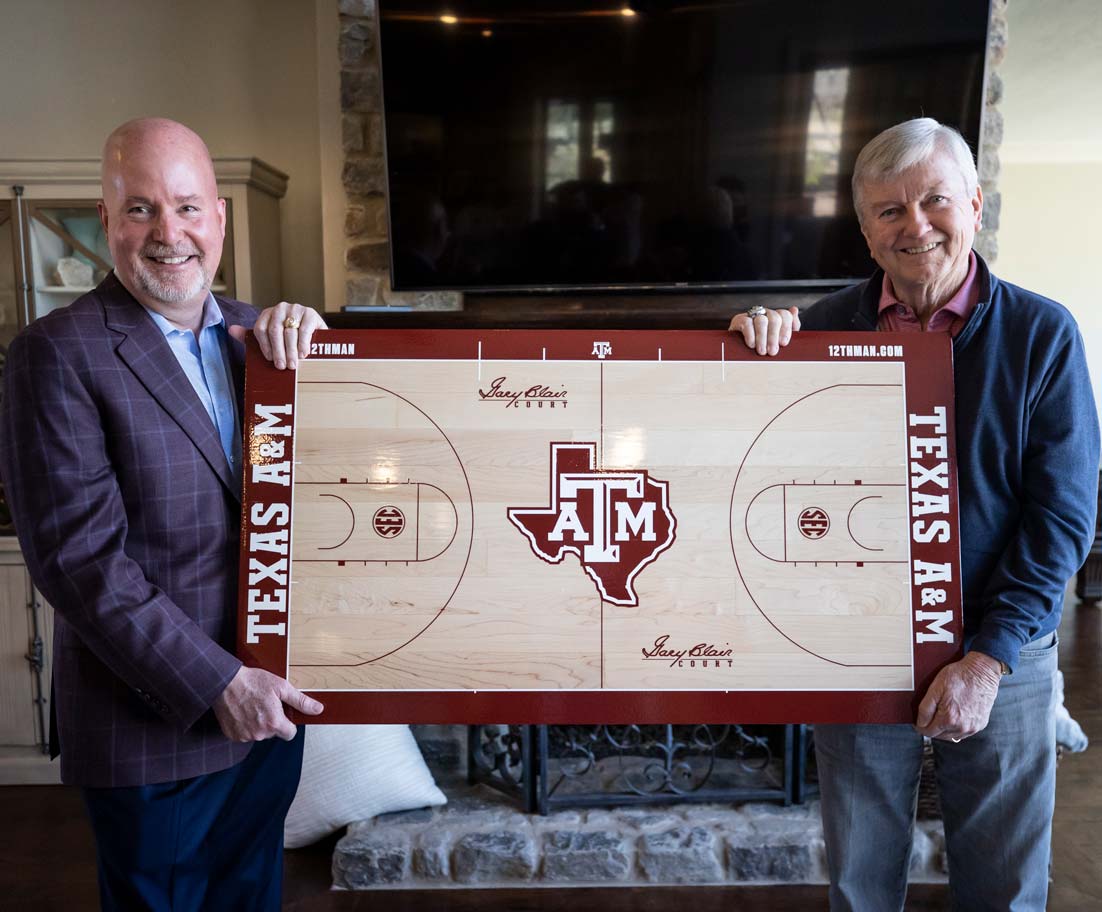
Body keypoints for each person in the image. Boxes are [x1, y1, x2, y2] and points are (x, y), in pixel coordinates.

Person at [729, 118, 1099, 911]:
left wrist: (987, 659)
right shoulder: (816, 330)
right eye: (889, 211)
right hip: (859, 649)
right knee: (860, 883)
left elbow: (1061, 520)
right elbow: (751, 474)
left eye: (934, 200)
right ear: (865, 231)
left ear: (972, 201)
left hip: (1004, 653)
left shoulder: (1044, 335)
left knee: (1004, 887)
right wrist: (744, 357)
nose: (916, 226)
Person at [0, 117, 329, 911]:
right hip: (155, 731)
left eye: (186, 207)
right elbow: (80, 564)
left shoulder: (265, 336)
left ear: (218, 217)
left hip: (268, 718)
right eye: (140, 209)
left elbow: (340, 492)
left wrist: (332, 363)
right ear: (106, 222)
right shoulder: (56, 353)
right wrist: (221, 683)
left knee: (252, 901)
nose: (168, 232)